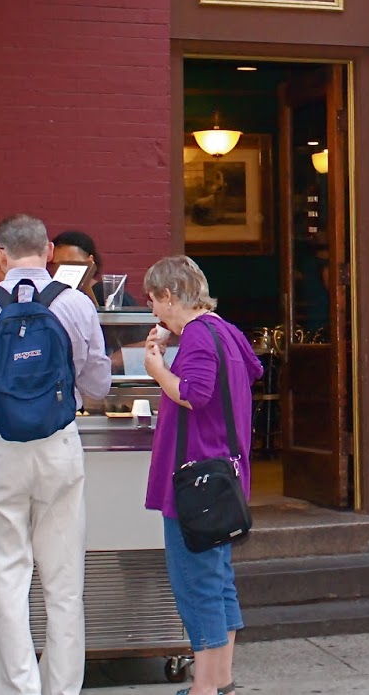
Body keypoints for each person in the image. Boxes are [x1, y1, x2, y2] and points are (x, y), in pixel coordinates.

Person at [0, 215, 112, 695]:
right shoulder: (75, 303)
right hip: (59, 446)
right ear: (49, 251)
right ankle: (62, 688)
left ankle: (18, 688)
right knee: (64, 583)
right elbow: (98, 386)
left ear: (0, 254)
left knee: (7, 579)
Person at [141, 256, 262, 695]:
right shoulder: (223, 328)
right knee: (218, 580)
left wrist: (158, 369)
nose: (154, 310)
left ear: (169, 295)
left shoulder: (195, 334)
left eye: (153, 301)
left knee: (196, 584)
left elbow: (195, 393)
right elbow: (253, 369)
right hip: (225, 476)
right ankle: (221, 680)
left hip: (196, 481)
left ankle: (204, 688)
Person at [52, 230, 137, 308]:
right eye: (56, 264)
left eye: (71, 263)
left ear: (90, 261)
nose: (62, 269)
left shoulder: (109, 295)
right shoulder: (52, 295)